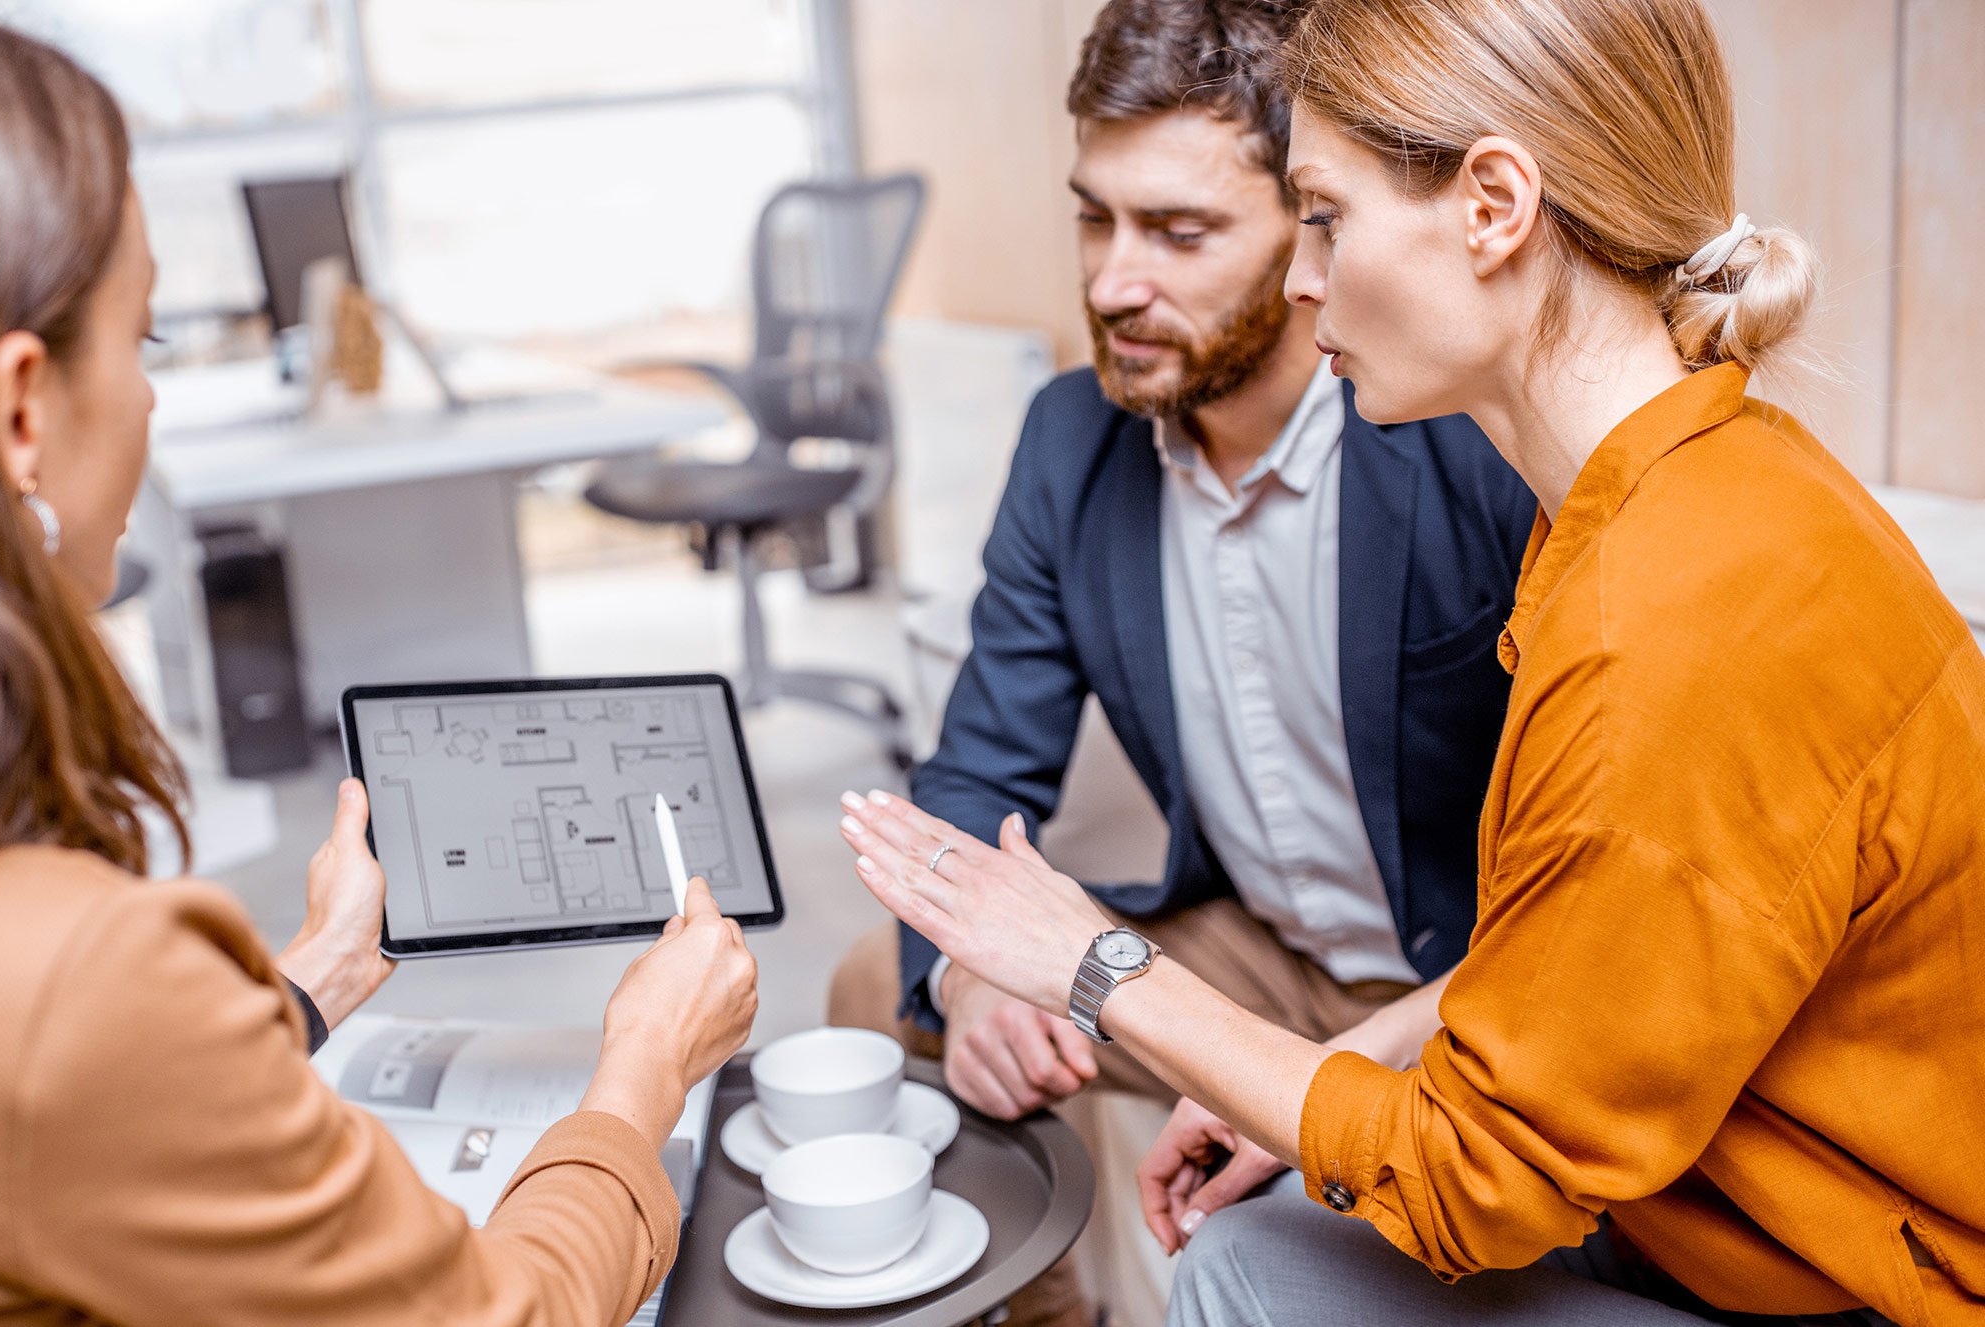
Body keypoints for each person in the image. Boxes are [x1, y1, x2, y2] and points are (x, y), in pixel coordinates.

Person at [841, 0, 1985, 1321]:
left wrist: (1099, 965)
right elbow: (1582, 935)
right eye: (1095, 219)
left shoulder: (1646, 605)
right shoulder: (1686, 484)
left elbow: (1477, 1180)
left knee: (1243, 1266)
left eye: (1321, 218)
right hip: (1631, 1131)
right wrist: (1030, 970)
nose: (1306, 278)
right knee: (962, 1027)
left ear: (1495, 206)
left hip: (1841, 1269)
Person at [0, 5, 757, 1325]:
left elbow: (0, 1140)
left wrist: (302, 989)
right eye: (142, 337)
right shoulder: (77, 986)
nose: (150, 396)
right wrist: (641, 1072)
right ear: (20, 410)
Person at [826, 2, 1533, 1318]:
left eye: (1180, 232)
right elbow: (977, 774)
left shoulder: (1459, 427)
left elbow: (1599, 906)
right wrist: (980, 977)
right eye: (1097, 217)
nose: (1109, 281)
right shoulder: (1070, 442)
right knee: (886, 982)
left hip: (1476, 984)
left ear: (1309, 227)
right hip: (1264, 952)